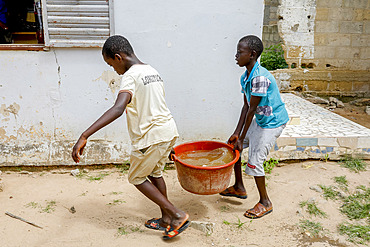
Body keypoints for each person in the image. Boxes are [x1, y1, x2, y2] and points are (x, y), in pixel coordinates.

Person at [71, 35, 190, 240]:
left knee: (136, 177)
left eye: (111, 64)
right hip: (168, 130)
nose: (114, 70)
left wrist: (84, 135)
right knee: (155, 173)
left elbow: (118, 108)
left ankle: (177, 214)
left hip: (150, 136)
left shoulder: (131, 75)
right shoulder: (152, 71)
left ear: (118, 57)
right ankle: (166, 219)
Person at [220, 35, 289, 219]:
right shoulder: (246, 76)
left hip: (272, 124)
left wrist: (243, 138)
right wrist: (236, 134)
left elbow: (251, 110)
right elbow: (246, 106)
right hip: (260, 120)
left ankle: (265, 202)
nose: (236, 55)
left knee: (255, 160)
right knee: (233, 146)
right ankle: (239, 187)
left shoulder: (259, 78)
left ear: (252, 54)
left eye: (240, 52)